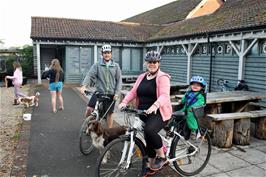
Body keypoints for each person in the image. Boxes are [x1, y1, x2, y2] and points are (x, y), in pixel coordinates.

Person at [118, 51, 172, 176]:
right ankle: (150, 165)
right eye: (150, 62)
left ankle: (162, 156)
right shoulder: (142, 77)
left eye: (155, 62)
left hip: (158, 112)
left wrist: (154, 106)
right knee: (148, 138)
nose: (152, 64)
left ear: (158, 64)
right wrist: (124, 102)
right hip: (142, 112)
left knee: (149, 131)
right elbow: (133, 92)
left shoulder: (163, 77)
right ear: (146, 63)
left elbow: (164, 96)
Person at [80, 44, 122, 128]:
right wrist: (84, 86)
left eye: (108, 52)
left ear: (111, 54)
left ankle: (109, 131)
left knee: (110, 114)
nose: (107, 54)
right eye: (105, 53)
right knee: (89, 109)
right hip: (99, 92)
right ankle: (87, 125)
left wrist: (117, 93)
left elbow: (119, 80)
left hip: (111, 94)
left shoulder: (116, 66)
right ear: (102, 54)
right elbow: (90, 75)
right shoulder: (97, 65)